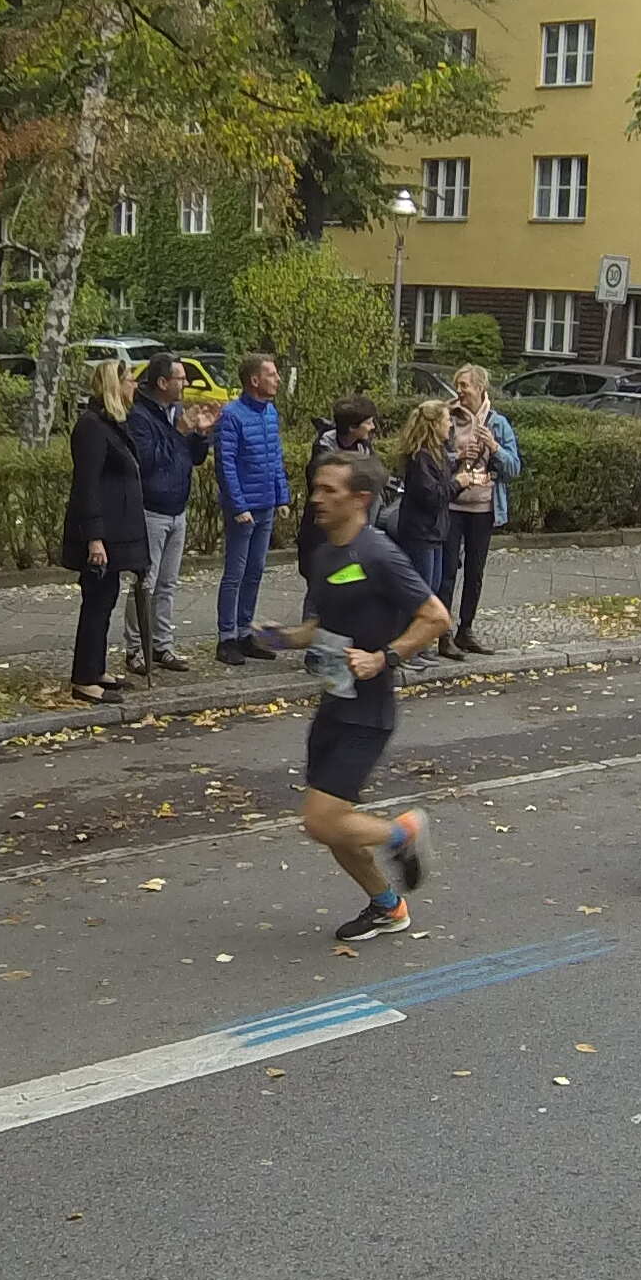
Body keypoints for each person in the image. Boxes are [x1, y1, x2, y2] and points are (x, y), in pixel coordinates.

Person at [250, 450, 450, 942]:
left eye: (329, 490)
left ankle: (403, 833)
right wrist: (282, 638)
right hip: (334, 703)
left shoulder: (379, 554)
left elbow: (436, 617)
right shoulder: (325, 555)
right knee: (336, 826)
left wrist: (385, 657)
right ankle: (387, 907)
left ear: (360, 499)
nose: (316, 498)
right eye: (315, 488)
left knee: (321, 822)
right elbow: (323, 625)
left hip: (369, 712)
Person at [61, 357, 148, 703]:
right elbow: (88, 485)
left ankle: (96, 668)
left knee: (106, 598)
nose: (134, 386)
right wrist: (94, 537)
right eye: (130, 380)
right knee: (95, 603)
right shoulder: (91, 427)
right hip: (101, 534)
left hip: (116, 531)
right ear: (116, 384)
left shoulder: (112, 423)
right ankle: (84, 678)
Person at [122, 355, 210, 675]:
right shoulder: (140, 416)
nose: (185, 384)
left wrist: (199, 435)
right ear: (162, 383)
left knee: (167, 584)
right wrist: (179, 432)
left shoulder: (175, 411)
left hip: (177, 507)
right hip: (152, 509)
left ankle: (162, 644)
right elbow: (148, 461)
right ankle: (136, 647)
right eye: (180, 378)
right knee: (145, 582)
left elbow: (191, 458)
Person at [214, 351, 291, 666]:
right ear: (255, 380)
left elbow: (275, 457)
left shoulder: (270, 412)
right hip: (244, 508)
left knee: (255, 570)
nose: (277, 379)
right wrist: (238, 504)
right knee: (235, 572)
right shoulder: (232, 415)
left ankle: (245, 631)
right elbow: (226, 463)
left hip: (266, 504)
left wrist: (281, 496)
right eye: (271, 374)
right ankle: (226, 637)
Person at [444, 365, 520, 656]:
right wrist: (458, 456)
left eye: (464, 385)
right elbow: (435, 458)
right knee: (447, 571)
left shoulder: (497, 423)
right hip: (452, 506)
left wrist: (494, 447)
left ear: (480, 388)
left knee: (475, 572)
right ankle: (442, 633)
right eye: (458, 385)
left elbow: (514, 468)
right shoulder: (449, 419)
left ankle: (466, 630)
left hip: (483, 508)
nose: (460, 391)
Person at [387, 396, 457, 610]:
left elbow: (443, 486)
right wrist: (459, 483)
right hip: (420, 532)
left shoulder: (438, 453)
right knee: (422, 594)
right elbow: (433, 496)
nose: (451, 424)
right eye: (447, 420)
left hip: (434, 532)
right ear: (434, 425)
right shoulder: (420, 458)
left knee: (432, 589)